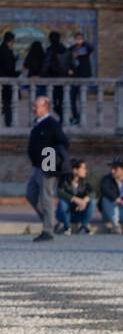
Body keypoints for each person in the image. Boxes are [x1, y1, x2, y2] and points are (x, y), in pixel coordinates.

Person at [26, 95, 67, 243]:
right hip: (36, 166)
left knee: (46, 197)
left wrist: (51, 161)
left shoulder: (52, 124)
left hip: (47, 165)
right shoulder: (38, 123)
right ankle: (53, 223)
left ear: (45, 107)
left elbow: (63, 143)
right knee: (31, 194)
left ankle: (48, 230)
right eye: (34, 106)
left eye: (37, 106)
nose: (34, 109)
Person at [56, 158, 95, 235]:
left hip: (79, 213)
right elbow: (59, 192)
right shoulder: (64, 180)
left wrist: (84, 200)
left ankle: (84, 226)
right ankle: (67, 227)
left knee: (92, 202)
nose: (85, 170)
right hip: (64, 215)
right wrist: (75, 199)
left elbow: (93, 193)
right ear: (75, 170)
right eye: (83, 168)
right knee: (63, 201)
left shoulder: (85, 181)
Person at [41, 31, 70, 121]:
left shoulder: (50, 50)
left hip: (53, 78)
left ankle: (62, 118)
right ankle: (63, 118)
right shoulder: (64, 49)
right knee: (61, 101)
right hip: (64, 78)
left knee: (53, 101)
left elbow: (46, 63)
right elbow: (70, 63)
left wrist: (42, 74)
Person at [69, 32, 94, 125]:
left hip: (84, 76)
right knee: (72, 98)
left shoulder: (86, 48)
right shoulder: (71, 49)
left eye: (80, 39)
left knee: (82, 98)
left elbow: (91, 48)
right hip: (74, 77)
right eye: (77, 39)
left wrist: (84, 43)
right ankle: (75, 116)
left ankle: (81, 118)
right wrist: (69, 69)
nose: (78, 40)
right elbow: (67, 60)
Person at [0, 31, 17, 127]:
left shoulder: (3, 50)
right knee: (7, 106)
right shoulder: (6, 52)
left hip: (5, 83)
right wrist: (17, 73)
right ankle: (8, 125)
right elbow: (9, 68)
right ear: (9, 41)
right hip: (6, 83)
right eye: (13, 41)